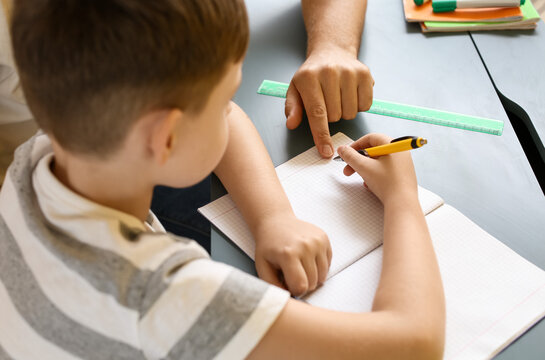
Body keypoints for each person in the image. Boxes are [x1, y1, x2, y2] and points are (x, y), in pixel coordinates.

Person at [0, 0, 445, 359]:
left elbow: (222, 122)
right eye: (224, 99)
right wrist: (403, 198)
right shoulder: (165, 296)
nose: (230, 111)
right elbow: (415, 344)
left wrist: (274, 218)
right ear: (165, 137)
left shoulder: (34, 158)